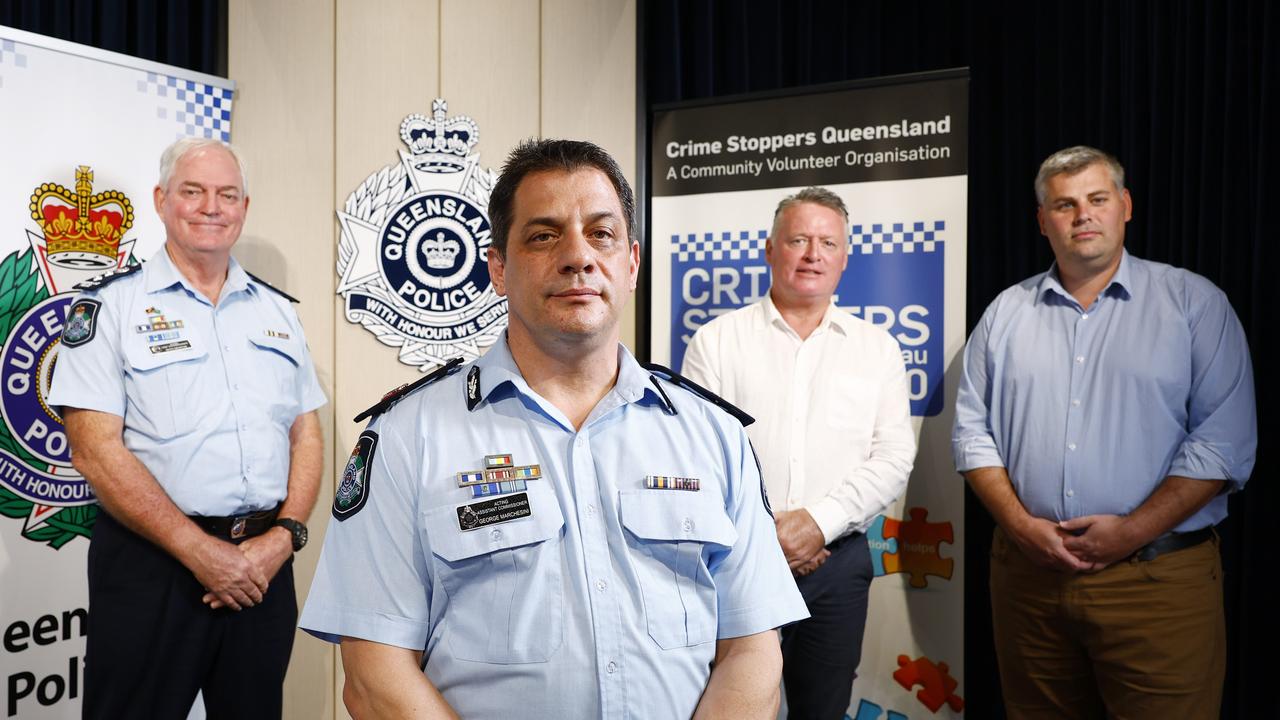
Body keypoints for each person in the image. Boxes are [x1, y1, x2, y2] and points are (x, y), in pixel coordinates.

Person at [299, 139, 808, 719]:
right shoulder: (405, 438)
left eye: (601, 233)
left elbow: (753, 650)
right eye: (544, 236)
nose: (578, 257)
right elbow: (375, 672)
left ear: (632, 262)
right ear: (498, 268)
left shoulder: (712, 434)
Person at [952, 145, 1256, 719]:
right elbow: (971, 434)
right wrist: (1020, 527)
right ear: (1043, 221)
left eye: (1097, 199)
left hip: (1155, 582)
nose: (1082, 215)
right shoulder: (1005, 313)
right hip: (1029, 582)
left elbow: (1222, 445)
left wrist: (1131, 532)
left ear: (1125, 206)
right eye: (1064, 205)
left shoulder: (1193, 304)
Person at [49, 137, 326, 719]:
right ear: (161, 200)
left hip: (262, 566)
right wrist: (199, 552)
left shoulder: (278, 313)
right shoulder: (109, 311)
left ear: (244, 208)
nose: (211, 207)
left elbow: (305, 435)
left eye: (227, 195)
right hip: (154, 567)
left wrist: (285, 538)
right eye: (193, 191)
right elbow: (94, 451)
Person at [682, 187, 916, 718]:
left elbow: (893, 457)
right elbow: (700, 457)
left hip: (837, 563)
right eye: (799, 240)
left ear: (844, 259)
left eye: (827, 242)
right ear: (770, 249)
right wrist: (767, 538)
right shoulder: (717, 341)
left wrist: (817, 523)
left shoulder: (876, 348)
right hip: (737, 559)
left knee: (823, 710)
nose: (813, 253)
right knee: (733, 706)